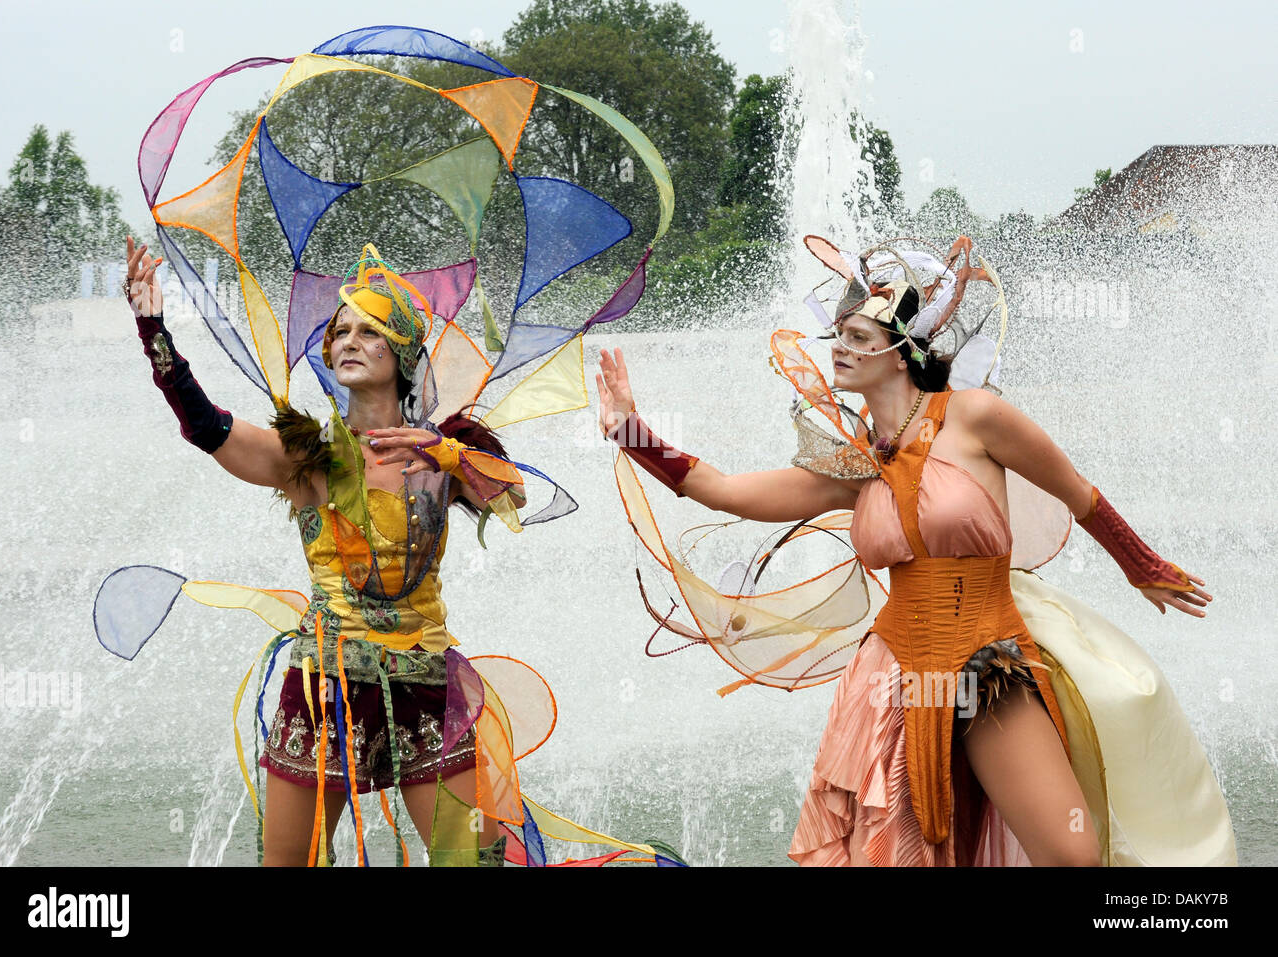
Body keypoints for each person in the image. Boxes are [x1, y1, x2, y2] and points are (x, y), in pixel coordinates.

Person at [596, 233, 1236, 866]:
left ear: (901, 353)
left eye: (858, 338)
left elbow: (1079, 493)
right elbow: (722, 491)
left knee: (1071, 855)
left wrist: (1142, 566)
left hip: (991, 666)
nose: (839, 349)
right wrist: (632, 429)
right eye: (838, 334)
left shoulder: (976, 417)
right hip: (892, 676)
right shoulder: (852, 466)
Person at [118, 236, 671, 867]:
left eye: (370, 331)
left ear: (402, 353)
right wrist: (152, 329)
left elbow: (522, 494)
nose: (349, 340)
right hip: (325, 685)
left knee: (468, 862)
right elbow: (205, 425)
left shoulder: (447, 451)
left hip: (425, 682)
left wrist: (451, 455)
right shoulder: (308, 456)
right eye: (340, 331)